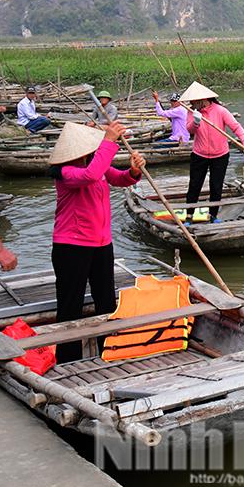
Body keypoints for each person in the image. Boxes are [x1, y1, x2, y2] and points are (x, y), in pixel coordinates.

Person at [48, 121, 145, 362]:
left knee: (105, 302)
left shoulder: (96, 165)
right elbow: (90, 176)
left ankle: (109, 351)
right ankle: (68, 360)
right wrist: (109, 141)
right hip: (72, 247)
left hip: (101, 244)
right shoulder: (65, 172)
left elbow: (119, 178)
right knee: (71, 305)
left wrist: (133, 171)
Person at [180, 81, 244, 223]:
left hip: (220, 155)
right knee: (195, 186)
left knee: (216, 186)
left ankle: (212, 216)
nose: (191, 103)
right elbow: (189, 131)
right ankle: (189, 216)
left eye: (193, 101)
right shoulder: (192, 112)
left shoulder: (220, 111)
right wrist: (195, 122)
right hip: (199, 154)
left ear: (203, 99)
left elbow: (236, 127)